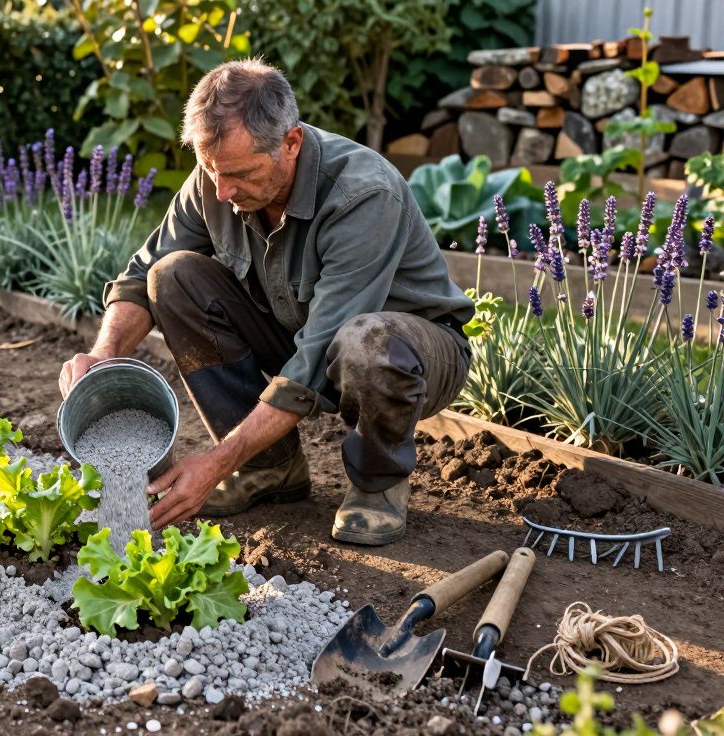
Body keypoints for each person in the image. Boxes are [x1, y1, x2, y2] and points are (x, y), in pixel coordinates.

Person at [58, 59, 474, 546]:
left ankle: (378, 482)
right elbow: (137, 276)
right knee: (171, 277)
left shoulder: (362, 194)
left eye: (237, 173)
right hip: (297, 332)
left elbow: (319, 353)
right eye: (211, 170)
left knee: (366, 342)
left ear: (290, 142)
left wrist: (215, 462)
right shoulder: (217, 179)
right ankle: (268, 469)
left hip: (410, 356)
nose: (221, 190)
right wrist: (105, 356)